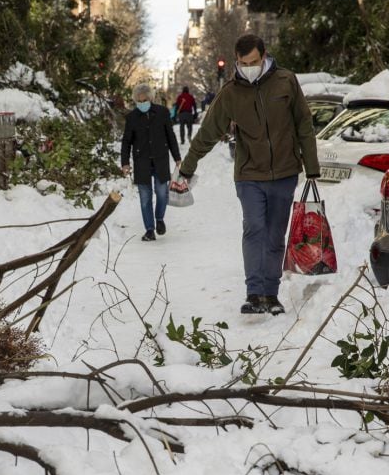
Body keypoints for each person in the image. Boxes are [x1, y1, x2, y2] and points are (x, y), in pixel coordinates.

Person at [176, 34, 320, 315]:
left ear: (264, 56)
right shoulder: (231, 92)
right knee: (254, 228)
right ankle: (254, 293)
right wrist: (187, 167)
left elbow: (303, 123)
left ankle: (271, 293)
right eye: (243, 63)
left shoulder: (286, 81)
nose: (249, 67)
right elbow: (208, 132)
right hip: (249, 174)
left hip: (285, 172)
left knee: (275, 235)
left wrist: (311, 167)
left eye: (253, 62)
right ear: (236, 62)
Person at [121, 83, 180, 242]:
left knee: (162, 194)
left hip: (160, 159)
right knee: (145, 198)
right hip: (142, 162)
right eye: (139, 101)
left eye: (145, 100)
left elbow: (170, 136)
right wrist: (125, 162)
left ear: (151, 98)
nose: (142, 103)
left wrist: (177, 157)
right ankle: (149, 230)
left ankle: (159, 218)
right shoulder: (132, 117)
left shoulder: (162, 113)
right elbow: (126, 141)